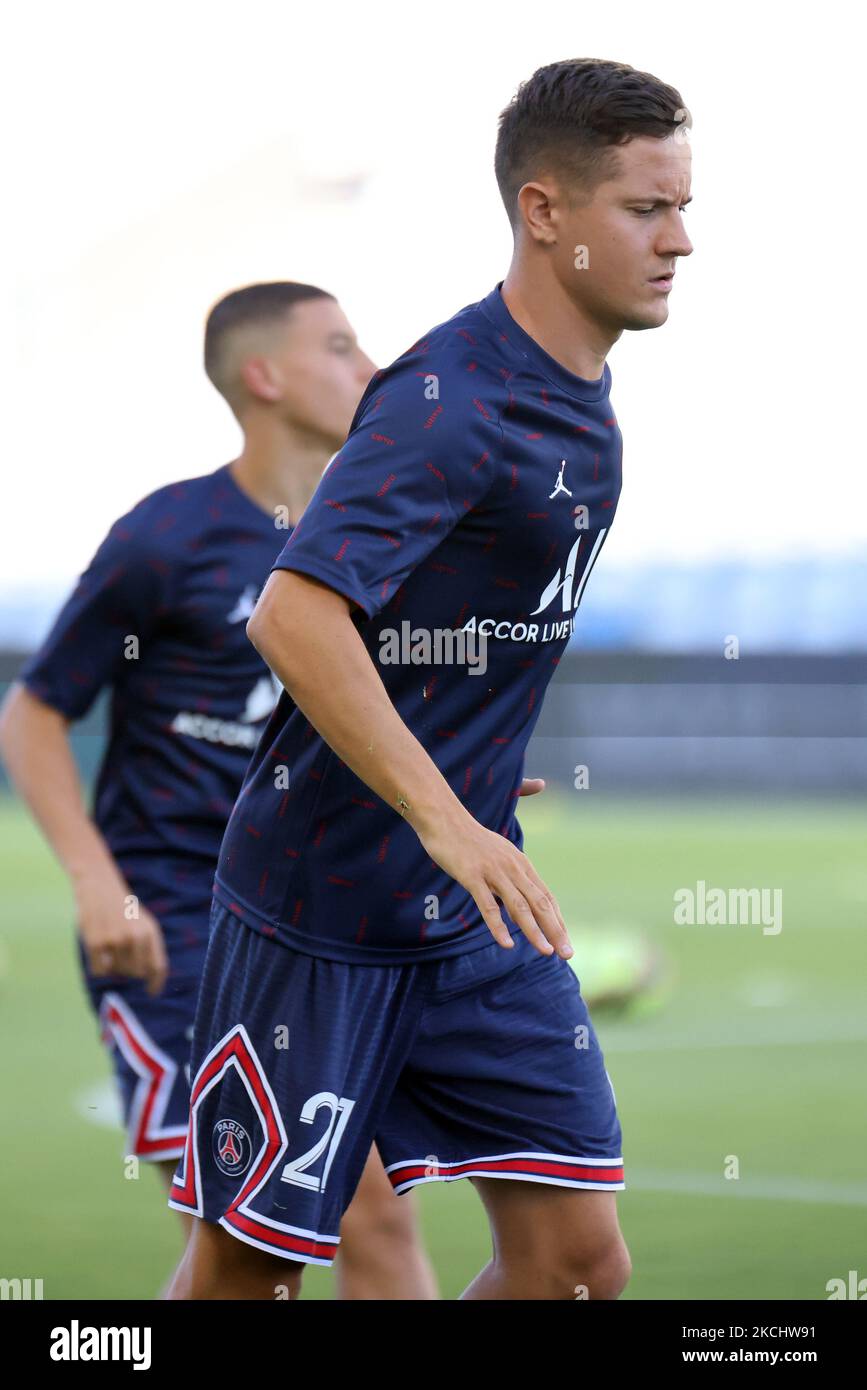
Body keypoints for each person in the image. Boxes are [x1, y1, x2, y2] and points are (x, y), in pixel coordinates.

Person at [167, 56, 693, 1301]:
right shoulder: (446, 399)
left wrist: (478, 809)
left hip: (472, 920)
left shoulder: (591, 419)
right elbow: (295, 619)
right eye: (644, 208)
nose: (681, 239)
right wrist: (444, 815)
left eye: (683, 205)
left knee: (575, 1263)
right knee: (248, 1278)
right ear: (544, 212)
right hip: (320, 914)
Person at [0, 281, 439, 1299]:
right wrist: (95, 882)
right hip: (178, 928)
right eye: (339, 345)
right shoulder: (167, 536)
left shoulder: (377, 538)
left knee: (343, 1225)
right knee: (267, 1237)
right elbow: (33, 712)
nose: (370, 367)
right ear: (264, 376)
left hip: (315, 923)